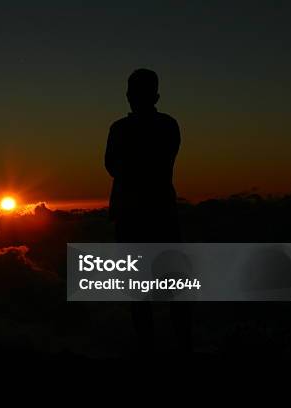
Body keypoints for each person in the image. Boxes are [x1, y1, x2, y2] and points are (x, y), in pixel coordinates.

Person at [105, 68, 191, 353]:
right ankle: (182, 346)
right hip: (162, 213)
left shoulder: (120, 129)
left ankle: (148, 350)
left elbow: (113, 166)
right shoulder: (169, 126)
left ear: (129, 96)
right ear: (156, 96)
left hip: (133, 217)